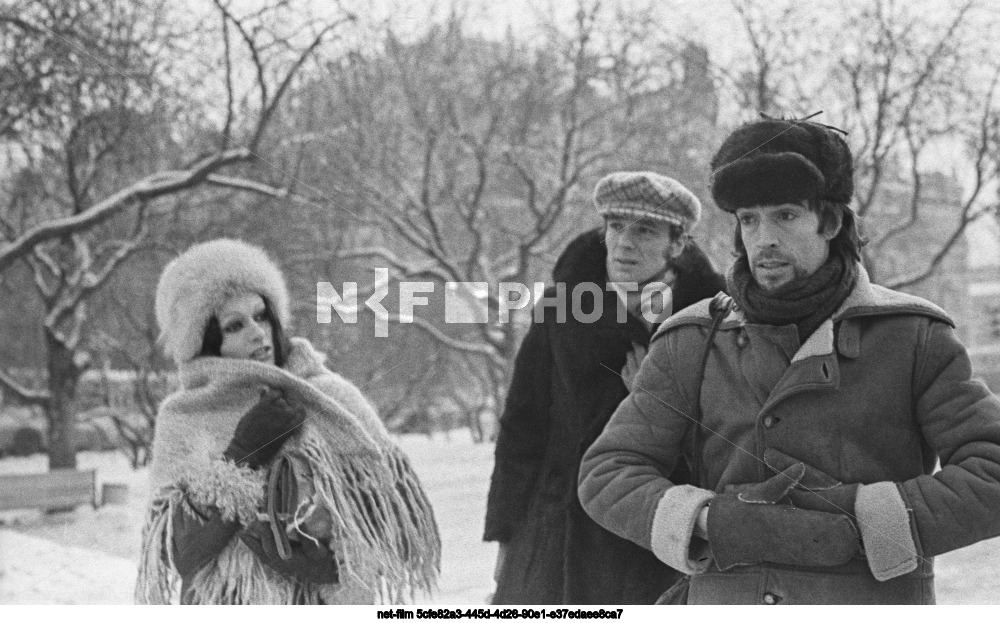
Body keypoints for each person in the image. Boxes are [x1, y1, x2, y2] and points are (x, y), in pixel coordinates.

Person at [578, 116, 1000, 604]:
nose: (764, 239)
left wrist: (864, 520)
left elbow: (991, 470)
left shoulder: (913, 336)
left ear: (832, 221)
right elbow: (608, 472)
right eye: (749, 219)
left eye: (785, 215)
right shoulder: (691, 339)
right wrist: (712, 520)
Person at [135, 238, 440, 604]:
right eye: (234, 326)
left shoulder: (331, 399)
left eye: (261, 315)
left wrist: (321, 567)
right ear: (206, 341)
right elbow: (180, 552)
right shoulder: (184, 416)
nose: (257, 332)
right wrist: (245, 453)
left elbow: (391, 532)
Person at [484, 172, 725, 604]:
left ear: (677, 244)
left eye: (645, 230)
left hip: (655, 537)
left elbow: (733, 434)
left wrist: (653, 402)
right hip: (555, 534)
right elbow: (523, 422)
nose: (624, 243)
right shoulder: (563, 304)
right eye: (616, 227)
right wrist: (507, 534)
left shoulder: (713, 315)